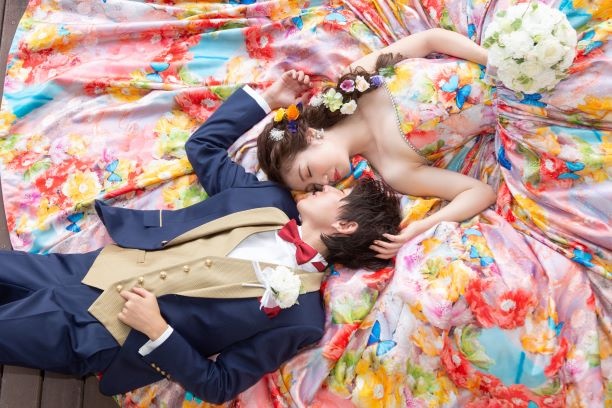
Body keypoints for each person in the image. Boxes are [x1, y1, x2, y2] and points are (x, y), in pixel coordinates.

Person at [0, 72, 401, 404]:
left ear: (345, 226)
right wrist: (268, 99)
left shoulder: (302, 318)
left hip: (103, 334)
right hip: (86, 269)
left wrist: (158, 330)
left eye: (339, 196)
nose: (328, 187)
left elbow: (219, 384)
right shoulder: (269, 200)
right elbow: (203, 148)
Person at [256, 28, 498, 258]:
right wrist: (422, 226)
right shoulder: (395, 172)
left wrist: (491, 61)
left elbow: (430, 40)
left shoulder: (354, 81)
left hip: (493, 55)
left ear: (309, 136)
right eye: (314, 187)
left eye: (308, 171)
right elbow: (480, 192)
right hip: (512, 105)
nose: (324, 181)